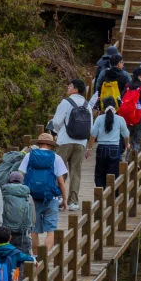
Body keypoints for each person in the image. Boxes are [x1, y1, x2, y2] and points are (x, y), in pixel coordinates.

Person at [16, 133, 68, 248]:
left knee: (33, 230)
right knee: (51, 231)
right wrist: (65, 199)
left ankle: (36, 260)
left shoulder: (29, 156)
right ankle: (45, 258)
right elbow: (61, 181)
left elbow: (20, 176)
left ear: (39, 143)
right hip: (51, 197)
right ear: (51, 145)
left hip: (32, 197)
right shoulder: (56, 158)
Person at [50, 79, 90, 209]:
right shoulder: (87, 104)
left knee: (59, 170)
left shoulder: (66, 102)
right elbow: (91, 125)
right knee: (76, 172)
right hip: (81, 142)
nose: (68, 87)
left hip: (65, 141)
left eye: (70, 86)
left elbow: (56, 122)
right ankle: (73, 202)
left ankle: (59, 198)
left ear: (76, 89)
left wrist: (56, 132)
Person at [88, 99, 126, 189]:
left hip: (101, 147)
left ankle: (100, 194)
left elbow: (93, 134)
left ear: (103, 106)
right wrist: (127, 144)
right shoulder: (120, 119)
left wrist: (89, 148)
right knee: (113, 173)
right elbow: (126, 134)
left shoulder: (99, 118)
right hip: (114, 148)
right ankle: (113, 195)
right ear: (115, 106)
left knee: (100, 173)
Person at [1, 169, 36, 253]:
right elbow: (33, 217)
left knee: (6, 260)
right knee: (23, 261)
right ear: (22, 182)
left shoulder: (2, 194)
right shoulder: (28, 196)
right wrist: (29, 230)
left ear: (9, 181)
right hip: (23, 234)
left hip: (6, 235)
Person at [121, 68, 141, 152]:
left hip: (128, 118)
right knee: (140, 142)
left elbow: (122, 99)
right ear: (139, 76)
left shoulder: (127, 86)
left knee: (130, 141)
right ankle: (137, 163)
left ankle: (129, 161)